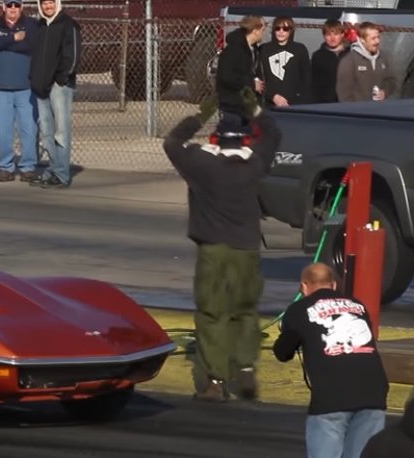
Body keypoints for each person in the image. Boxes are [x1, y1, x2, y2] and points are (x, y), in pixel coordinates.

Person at [162, 88, 281, 403]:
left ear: (215, 138)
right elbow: (273, 133)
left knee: (213, 314)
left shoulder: (200, 163)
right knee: (244, 310)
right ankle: (244, 370)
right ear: (244, 139)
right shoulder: (254, 163)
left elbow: (172, 142)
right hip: (246, 248)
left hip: (212, 247)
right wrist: (253, 106)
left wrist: (203, 112)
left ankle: (214, 380)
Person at [273, 262, 388, 458]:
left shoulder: (299, 309)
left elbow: (283, 353)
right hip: (374, 392)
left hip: (332, 395)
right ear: (333, 285)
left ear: (304, 286)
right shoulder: (358, 305)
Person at [0, 0, 39, 182]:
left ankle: (28, 166)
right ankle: (6, 166)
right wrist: (14, 38)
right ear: (3, 7)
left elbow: (31, 45)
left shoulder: (31, 24)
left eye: (16, 6)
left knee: (28, 128)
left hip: (26, 87)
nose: (12, 9)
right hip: (0, 87)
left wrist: (3, 43)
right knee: (4, 130)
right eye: (9, 5)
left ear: (21, 7)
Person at [28, 0, 81, 189]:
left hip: (60, 88)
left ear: (57, 3)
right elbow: (35, 56)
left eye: (50, 2)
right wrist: (34, 79)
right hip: (41, 87)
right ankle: (52, 169)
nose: (47, 6)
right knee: (47, 132)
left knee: (61, 131)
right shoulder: (40, 26)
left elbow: (72, 57)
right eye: (44, 3)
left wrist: (61, 79)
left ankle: (61, 174)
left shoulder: (68, 25)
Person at [215, 15, 266, 122]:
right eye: (262, 30)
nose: (263, 33)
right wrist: (252, 83)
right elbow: (227, 77)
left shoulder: (253, 50)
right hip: (232, 106)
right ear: (255, 31)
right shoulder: (233, 50)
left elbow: (249, 71)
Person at [258, 16, 311, 107]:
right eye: (277, 28)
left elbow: (306, 78)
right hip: (270, 104)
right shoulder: (263, 49)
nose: (281, 32)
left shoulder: (300, 49)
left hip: (294, 104)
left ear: (291, 31)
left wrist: (301, 101)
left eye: (285, 29)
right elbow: (258, 78)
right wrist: (272, 96)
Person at [337, 21, 396, 102]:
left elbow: (391, 81)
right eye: (373, 38)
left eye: (378, 37)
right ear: (362, 40)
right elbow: (343, 92)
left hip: (379, 110)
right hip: (359, 111)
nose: (377, 41)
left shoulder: (384, 58)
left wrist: (384, 92)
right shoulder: (349, 60)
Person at [311, 19, 350, 103]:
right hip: (325, 103)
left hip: (348, 103)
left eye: (336, 34)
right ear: (324, 36)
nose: (332, 38)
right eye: (328, 35)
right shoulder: (318, 56)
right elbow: (313, 83)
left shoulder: (351, 55)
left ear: (342, 34)